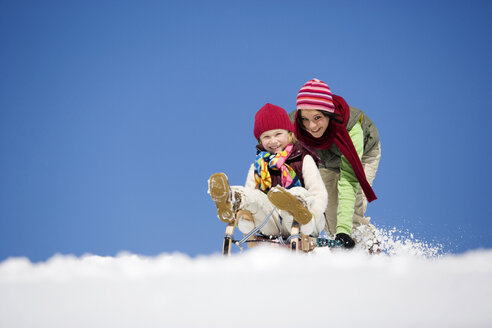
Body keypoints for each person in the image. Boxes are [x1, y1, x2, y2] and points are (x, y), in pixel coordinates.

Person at [208, 103, 327, 240]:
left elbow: (319, 194)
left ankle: (299, 209)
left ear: (289, 134)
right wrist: (247, 219)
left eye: (278, 134)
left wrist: (313, 217)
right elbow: (252, 194)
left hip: (307, 223)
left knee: (296, 194)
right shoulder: (258, 165)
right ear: (260, 140)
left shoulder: (303, 159)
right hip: (272, 224)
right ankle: (232, 200)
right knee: (252, 196)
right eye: (266, 137)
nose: (273, 141)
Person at [290, 78, 381, 250]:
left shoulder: (350, 129)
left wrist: (344, 231)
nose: (312, 126)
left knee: (350, 216)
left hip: (360, 155)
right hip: (325, 158)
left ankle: (372, 253)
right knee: (331, 215)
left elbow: (349, 180)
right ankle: (341, 260)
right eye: (305, 119)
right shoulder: (293, 127)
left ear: (328, 114)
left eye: (318, 118)